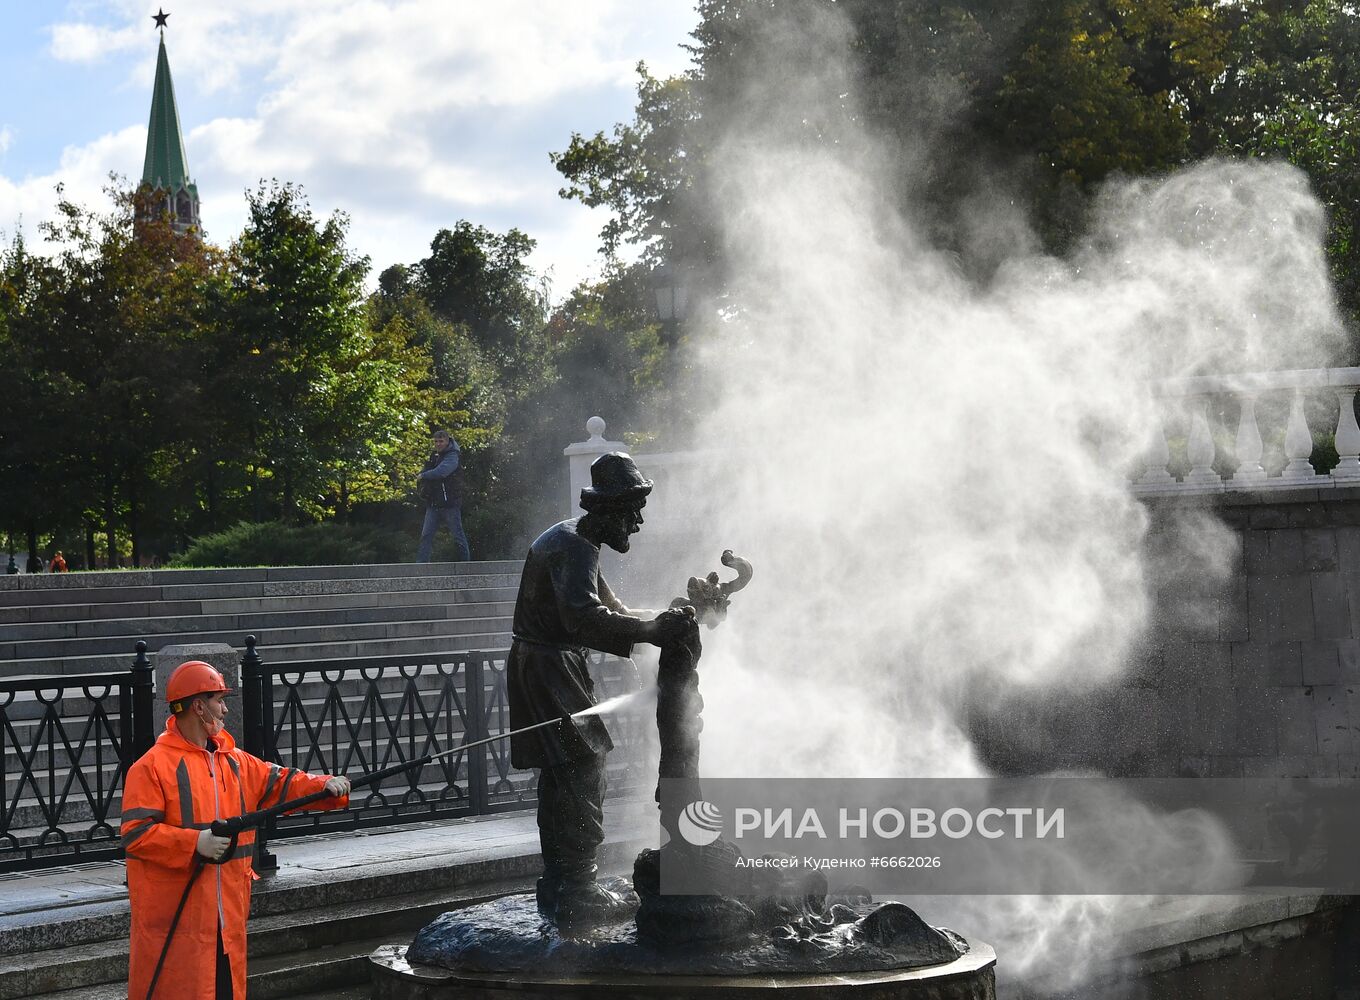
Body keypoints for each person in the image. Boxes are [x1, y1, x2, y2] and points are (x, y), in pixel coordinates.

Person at [507, 451, 692, 934]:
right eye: (633, 511)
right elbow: (583, 620)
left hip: (549, 664)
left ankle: (565, 882)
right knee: (581, 769)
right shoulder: (575, 547)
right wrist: (652, 630)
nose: (638, 521)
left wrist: (667, 616)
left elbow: (613, 608)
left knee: (569, 770)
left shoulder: (577, 538)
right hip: (549, 668)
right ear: (610, 509)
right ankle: (577, 887)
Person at [120, 661, 351, 1000]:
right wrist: (195, 843)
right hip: (177, 915)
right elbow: (136, 834)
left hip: (226, 911)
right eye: (219, 700)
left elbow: (282, 782)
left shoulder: (236, 761)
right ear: (198, 707)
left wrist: (325, 786)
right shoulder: (152, 767)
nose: (225, 708)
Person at [415, 428, 471, 562]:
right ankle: (421, 567)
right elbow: (428, 469)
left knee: (458, 536)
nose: (438, 444)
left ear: (447, 441)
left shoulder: (452, 456)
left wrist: (423, 475)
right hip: (434, 503)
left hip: (450, 503)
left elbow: (443, 471)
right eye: (436, 441)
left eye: (441, 441)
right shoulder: (434, 456)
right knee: (426, 536)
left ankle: (466, 565)